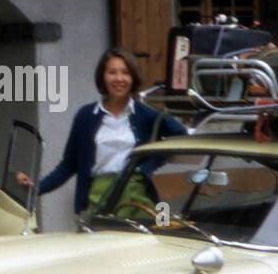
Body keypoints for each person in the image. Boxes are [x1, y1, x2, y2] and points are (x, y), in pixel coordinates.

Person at [17, 47, 189, 217]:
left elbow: (180, 135)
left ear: (133, 77)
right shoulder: (85, 116)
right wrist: (38, 187)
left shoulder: (146, 114)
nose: (119, 78)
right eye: (112, 72)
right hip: (97, 197)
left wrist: (148, 164)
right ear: (103, 77)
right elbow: (69, 164)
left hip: (137, 196)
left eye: (125, 72)